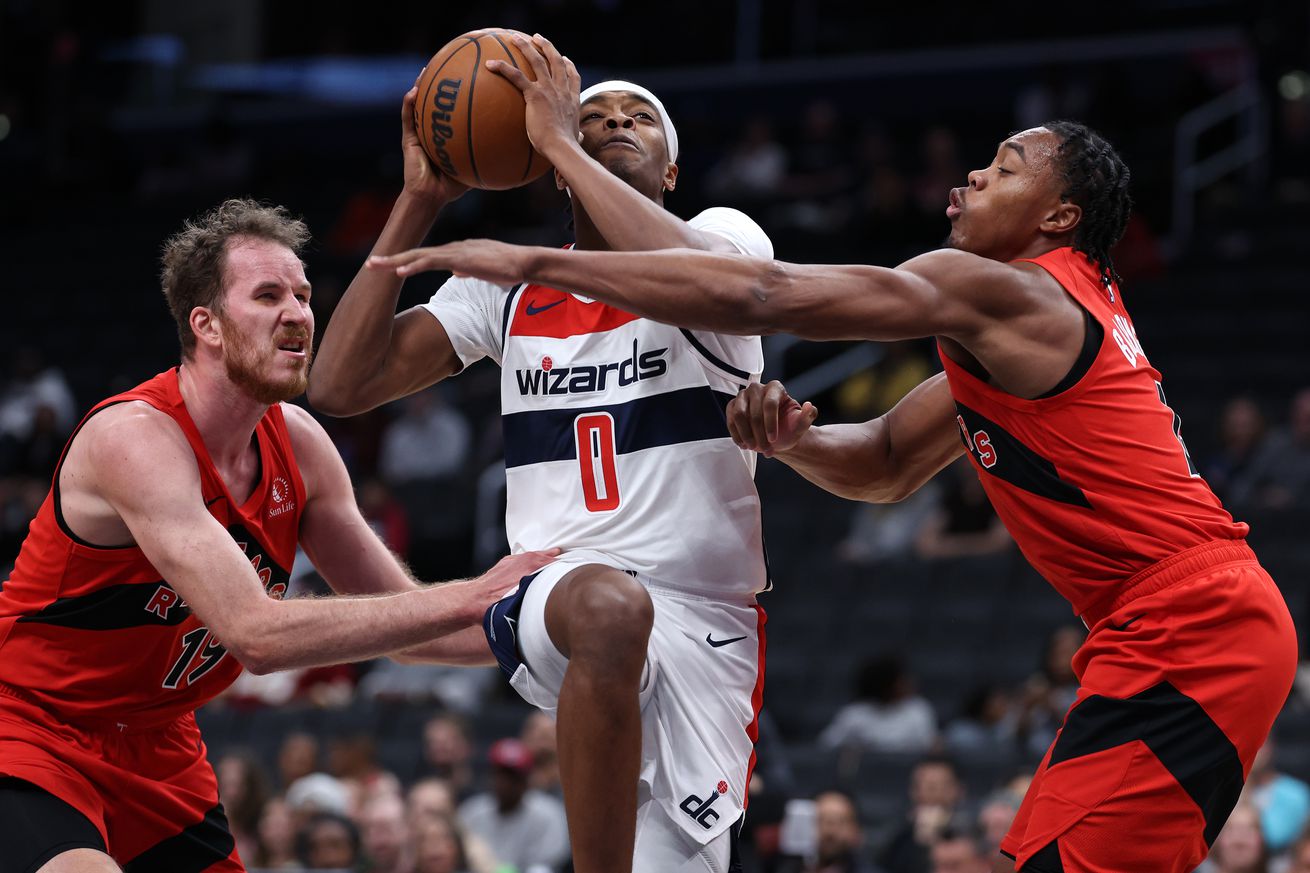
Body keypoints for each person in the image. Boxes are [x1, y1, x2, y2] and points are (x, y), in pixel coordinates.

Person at [372, 120, 1300, 873]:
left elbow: (765, 291)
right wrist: (794, 438)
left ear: (1059, 214)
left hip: (1189, 623)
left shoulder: (1004, 293)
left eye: (1004, 165)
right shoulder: (1030, 325)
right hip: (1171, 627)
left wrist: (539, 256)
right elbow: (888, 462)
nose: (972, 176)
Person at [311, 32, 773, 873]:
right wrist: (420, 199)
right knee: (606, 606)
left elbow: (703, 280)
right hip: (558, 589)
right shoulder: (510, 284)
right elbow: (339, 385)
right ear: (556, 168)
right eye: (591, 119)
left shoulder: (724, 237)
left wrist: (557, 135)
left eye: (640, 119)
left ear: (672, 172)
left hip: (705, 621)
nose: (614, 124)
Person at [0, 199, 553, 873]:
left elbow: (420, 631)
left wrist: (550, 626)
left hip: (159, 742)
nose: (298, 313)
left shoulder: (303, 447)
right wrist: (472, 594)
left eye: (303, 294)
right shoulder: (134, 438)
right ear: (206, 324)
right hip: (29, 722)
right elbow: (256, 635)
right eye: (268, 295)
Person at [456, 738, 570, 872]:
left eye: (513, 776)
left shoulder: (549, 814)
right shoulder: (471, 812)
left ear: (526, 780)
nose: (505, 782)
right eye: (500, 774)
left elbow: (544, 868)